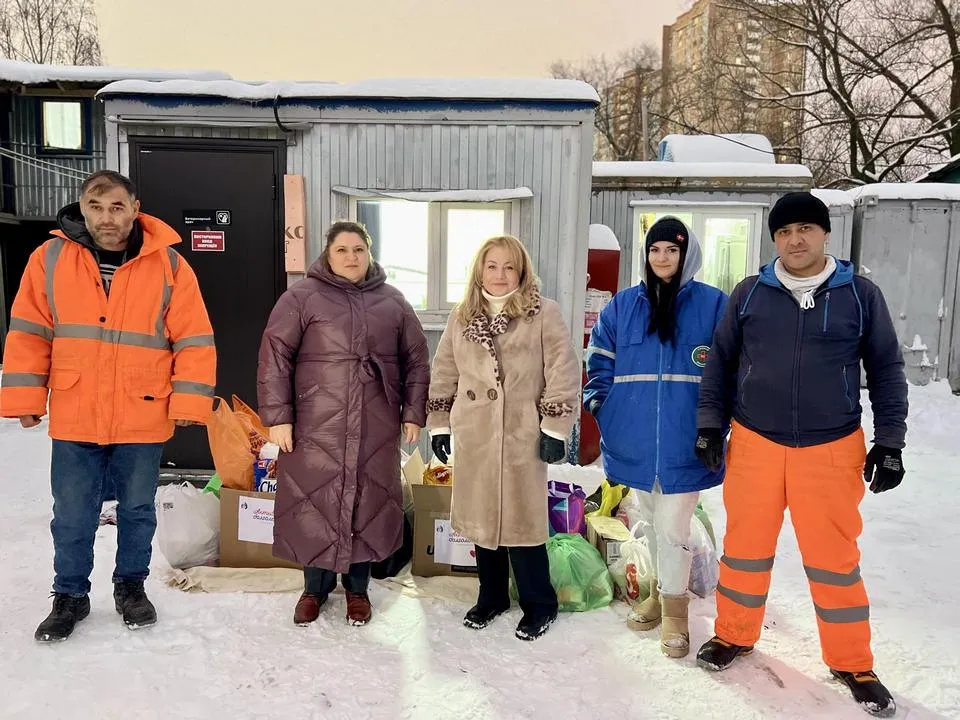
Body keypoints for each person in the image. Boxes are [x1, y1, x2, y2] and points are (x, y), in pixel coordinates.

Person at [695, 192, 907, 718]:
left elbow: (885, 369)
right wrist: (708, 427)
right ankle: (733, 635)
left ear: (824, 233)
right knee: (744, 548)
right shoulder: (749, 294)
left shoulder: (859, 294)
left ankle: (852, 662)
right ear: (774, 239)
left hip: (831, 447)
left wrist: (892, 441)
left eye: (805, 229)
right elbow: (719, 366)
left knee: (834, 560)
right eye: (785, 231)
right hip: (755, 442)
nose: (795, 240)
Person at [0, 170, 217, 642]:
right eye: (95, 207)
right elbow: (29, 331)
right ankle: (70, 596)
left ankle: (131, 587)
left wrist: (189, 401)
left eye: (117, 207)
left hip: (143, 409)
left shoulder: (170, 266)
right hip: (77, 409)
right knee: (73, 512)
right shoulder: (50, 259)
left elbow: (195, 339)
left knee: (138, 509)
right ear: (82, 209)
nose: (106, 218)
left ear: (135, 209)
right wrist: (25, 396)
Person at [258, 220, 429, 627]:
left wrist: (413, 412)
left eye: (358, 250)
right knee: (314, 501)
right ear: (327, 253)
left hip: (376, 422)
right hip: (316, 424)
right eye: (342, 250)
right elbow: (275, 357)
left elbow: (417, 359)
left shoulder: (393, 301)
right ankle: (313, 589)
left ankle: (357, 589)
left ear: (369, 253)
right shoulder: (300, 297)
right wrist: (278, 417)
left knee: (365, 503)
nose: (351, 258)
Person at [584, 217, 727, 658]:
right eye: (655, 250)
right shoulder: (623, 306)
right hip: (636, 442)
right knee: (646, 523)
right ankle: (656, 594)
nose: (662, 258)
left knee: (673, 527)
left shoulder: (713, 305)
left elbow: (727, 372)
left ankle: (676, 616)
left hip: (687, 443)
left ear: (688, 255)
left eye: (672, 250)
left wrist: (715, 426)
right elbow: (598, 362)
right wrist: (604, 409)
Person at [427, 235, 580, 642]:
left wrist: (553, 429)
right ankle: (491, 596)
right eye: (491, 266)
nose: (499, 274)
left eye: (508, 267)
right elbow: (443, 371)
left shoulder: (542, 313)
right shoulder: (462, 317)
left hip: (521, 436)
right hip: (476, 434)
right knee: (482, 523)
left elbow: (563, 372)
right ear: (479, 270)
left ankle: (539, 604)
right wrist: (440, 423)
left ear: (522, 272)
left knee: (523, 523)